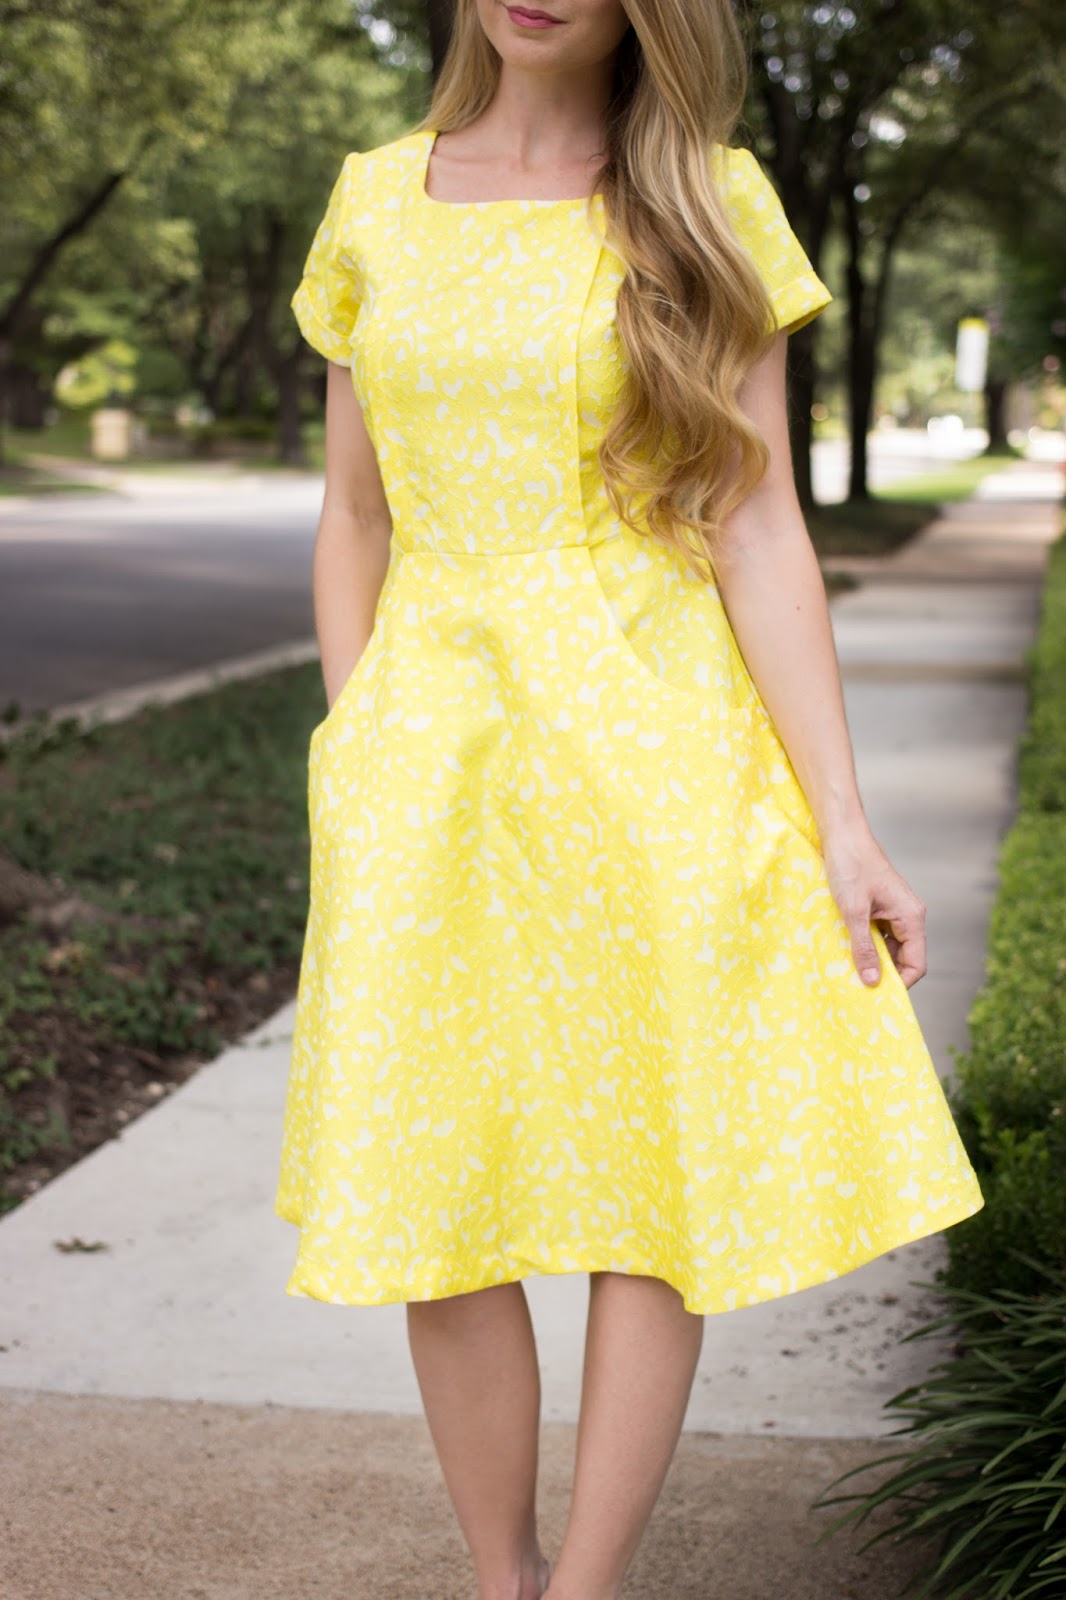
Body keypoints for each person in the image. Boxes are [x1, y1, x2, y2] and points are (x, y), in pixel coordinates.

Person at [276, 3, 985, 1597]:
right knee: (431, 1168)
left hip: (656, 746)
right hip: (428, 755)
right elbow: (350, 516)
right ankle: (496, 1573)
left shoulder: (709, 201)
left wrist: (841, 818)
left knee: (643, 1189)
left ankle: (580, 1592)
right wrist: (358, 732)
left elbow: (755, 532)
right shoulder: (372, 197)